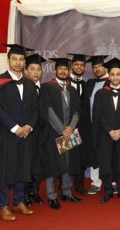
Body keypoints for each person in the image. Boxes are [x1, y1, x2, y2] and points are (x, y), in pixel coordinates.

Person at [0, 44, 37, 221]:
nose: (18, 62)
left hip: (25, 134)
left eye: (21, 59)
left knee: (22, 167)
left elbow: (36, 110)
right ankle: (3, 205)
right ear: (8, 60)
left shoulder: (30, 85)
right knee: (4, 169)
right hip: (5, 134)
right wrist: (15, 128)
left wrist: (28, 126)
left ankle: (19, 201)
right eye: (14, 59)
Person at [38, 57, 82, 210]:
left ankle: (66, 192)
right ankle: (51, 195)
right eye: (60, 69)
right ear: (56, 70)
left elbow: (77, 110)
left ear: (68, 71)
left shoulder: (72, 89)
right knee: (53, 165)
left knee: (67, 163)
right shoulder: (47, 87)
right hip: (53, 132)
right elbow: (47, 110)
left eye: (65, 69)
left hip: (69, 133)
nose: (63, 71)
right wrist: (62, 129)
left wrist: (71, 127)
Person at [92, 57, 120, 203]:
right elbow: (98, 116)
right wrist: (110, 131)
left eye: (118, 74)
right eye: (113, 74)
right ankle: (108, 190)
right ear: (109, 75)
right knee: (106, 163)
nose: (115, 77)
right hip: (106, 135)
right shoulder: (101, 94)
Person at [81, 55, 109, 195]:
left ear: (106, 67)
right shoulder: (90, 83)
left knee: (108, 153)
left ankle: (112, 181)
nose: (97, 69)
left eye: (100, 66)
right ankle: (95, 182)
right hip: (91, 126)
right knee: (94, 154)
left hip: (107, 127)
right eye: (95, 67)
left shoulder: (112, 82)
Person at [23, 53, 47, 206]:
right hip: (27, 133)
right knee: (27, 164)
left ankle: (35, 191)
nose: (36, 72)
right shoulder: (22, 88)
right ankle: (25, 194)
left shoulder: (45, 89)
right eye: (32, 69)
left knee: (39, 164)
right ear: (26, 71)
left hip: (42, 133)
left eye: (39, 69)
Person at [67, 53, 88, 195]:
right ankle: (65, 187)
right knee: (67, 156)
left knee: (80, 157)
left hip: (83, 127)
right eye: (76, 64)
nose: (79, 67)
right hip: (67, 126)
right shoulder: (64, 83)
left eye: (82, 65)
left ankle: (80, 186)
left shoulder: (86, 85)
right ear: (72, 65)